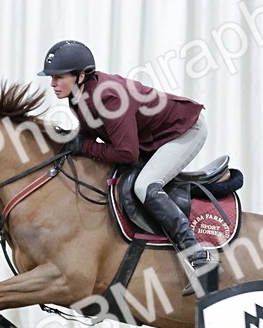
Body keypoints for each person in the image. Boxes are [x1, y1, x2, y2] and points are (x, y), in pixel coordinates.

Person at [39, 39, 212, 296]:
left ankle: (200, 259)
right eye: (51, 78)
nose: (52, 84)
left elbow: (127, 154)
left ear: (81, 75)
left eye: (59, 77)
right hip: (153, 137)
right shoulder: (77, 95)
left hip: (184, 130)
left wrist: (84, 148)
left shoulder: (107, 97)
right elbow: (91, 132)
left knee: (145, 186)